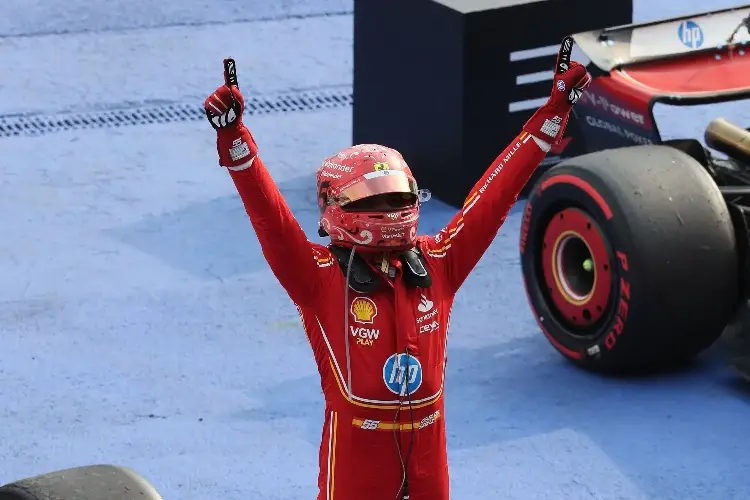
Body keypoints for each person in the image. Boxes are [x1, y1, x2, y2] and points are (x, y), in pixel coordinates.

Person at [203, 39, 590, 500]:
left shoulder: (439, 261)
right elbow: (271, 218)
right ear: (335, 207)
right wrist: (236, 142)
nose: (391, 210)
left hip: (429, 454)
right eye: (375, 200)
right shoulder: (316, 275)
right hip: (356, 460)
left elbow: (495, 194)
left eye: (399, 197)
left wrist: (552, 114)